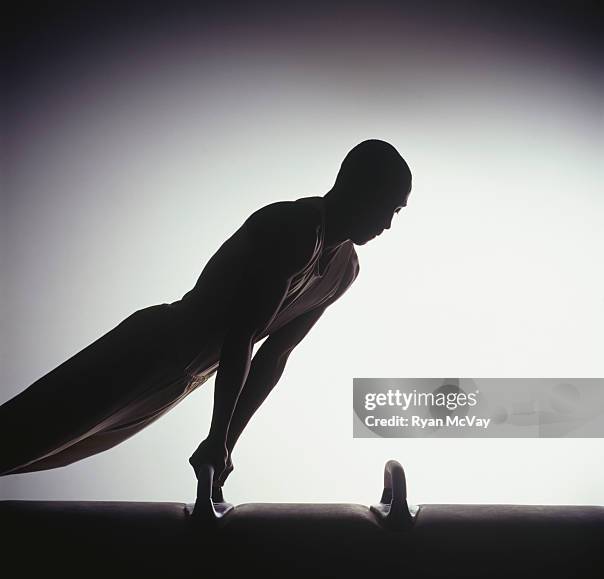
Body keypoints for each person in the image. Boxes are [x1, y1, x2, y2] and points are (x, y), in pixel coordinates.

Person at [0, 139, 412, 497]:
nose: (388, 224)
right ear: (357, 185)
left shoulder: (346, 271)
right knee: (19, 438)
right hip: (151, 349)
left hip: (180, 384)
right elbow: (243, 332)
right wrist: (217, 436)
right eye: (387, 205)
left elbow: (274, 357)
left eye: (398, 212)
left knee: (41, 454)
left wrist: (226, 443)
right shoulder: (296, 225)